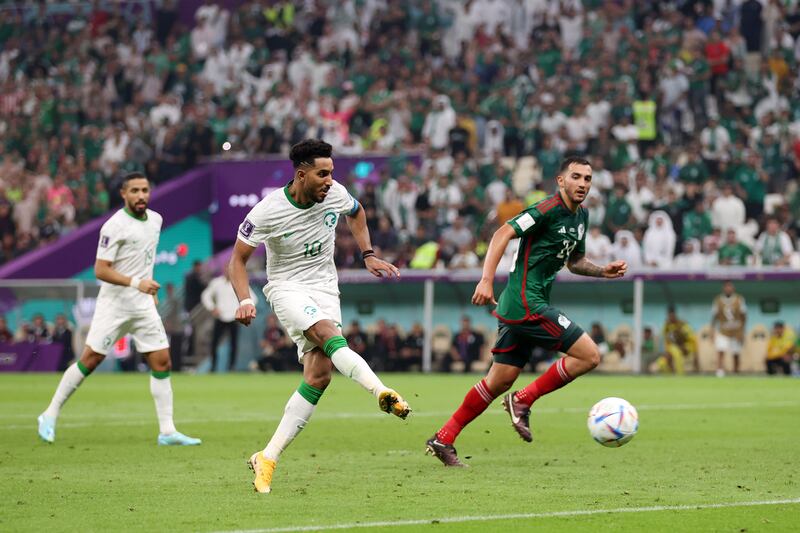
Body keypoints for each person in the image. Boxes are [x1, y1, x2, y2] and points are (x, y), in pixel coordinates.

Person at [228, 139, 411, 493]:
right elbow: (236, 260)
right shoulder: (267, 212)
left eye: (331, 173)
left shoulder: (335, 193)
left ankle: (267, 457)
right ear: (301, 175)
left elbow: (356, 212)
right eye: (322, 174)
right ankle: (381, 391)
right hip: (286, 287)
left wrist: (368, 254)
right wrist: (244, 298)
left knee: (319, 376)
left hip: (326, 288)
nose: (330, 180)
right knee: (328, 334)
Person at [426, 156, 627, 467]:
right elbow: (501, 233)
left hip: (519, 304)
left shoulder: (581, 217)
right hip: (526, 302)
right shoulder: (546, 209)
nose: (583, 184)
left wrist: (603, 271)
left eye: (588, 179)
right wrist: (486, 280)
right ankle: (522, 400)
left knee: (498, 380)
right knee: (589, 355)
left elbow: (574, 262)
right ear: (561, 181)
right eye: (576, 177)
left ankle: (444, 437)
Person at [37, 173, 200, 446]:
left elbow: (143, 260)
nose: (141, 195)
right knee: (90, 360)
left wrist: (149, 290)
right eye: (134, 190)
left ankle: (167, 431)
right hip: (114, 305)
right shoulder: (114, 226)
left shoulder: (156, 221)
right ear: (124, 194)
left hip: (142, 304)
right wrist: (138, 283)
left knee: (162, 361)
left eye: (145, 190)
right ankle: (49, 414)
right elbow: (101, 270)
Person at [201, 270, 255, 372]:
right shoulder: (216, 283)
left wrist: (245, 310)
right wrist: (212, 308)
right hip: (220, 317)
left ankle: (231, 367)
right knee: (214, 343)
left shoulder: (238, 283)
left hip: (234, 318)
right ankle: (213, 367)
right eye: (226, 269)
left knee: (234, 344)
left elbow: (253, 298)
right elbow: (205, 296)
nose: (228, 271)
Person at [711, 281, 747, 377]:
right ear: (723, 288)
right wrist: (712, 330)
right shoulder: (718, 300)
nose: (728, 289)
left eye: (730, 287)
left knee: (736, 353)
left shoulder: (739, 299)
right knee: (720, 350)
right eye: (726, 287)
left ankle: (736, 372)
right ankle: (720, 371)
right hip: (723, 330)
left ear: (733, 289)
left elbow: (744, 316)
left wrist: (742, 331)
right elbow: (714, 316)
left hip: (736, 331)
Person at [660, 306, 698, 374]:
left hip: (686, 347)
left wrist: (695, 353)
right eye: (669, 316)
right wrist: (667, 351)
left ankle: (680, 374)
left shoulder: (683, 325)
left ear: (675, 315)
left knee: (674, 350)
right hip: (673, 349)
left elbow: (692, 340)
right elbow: (666, 340)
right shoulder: (667, 326)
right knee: (663, 361)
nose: (670, 318)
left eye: (672, 316)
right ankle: (668, 376)